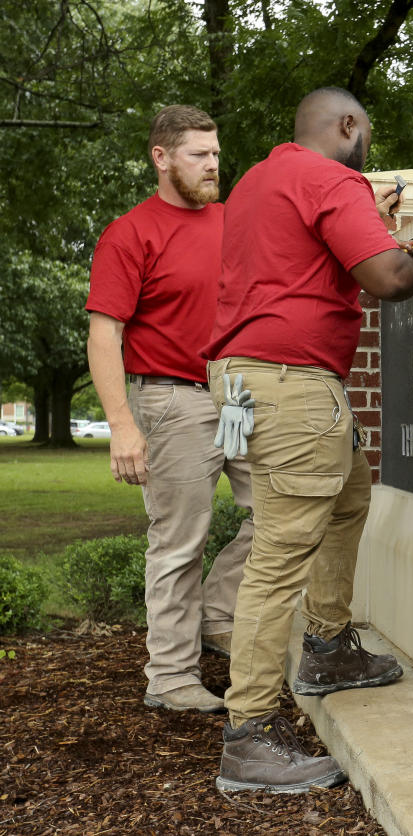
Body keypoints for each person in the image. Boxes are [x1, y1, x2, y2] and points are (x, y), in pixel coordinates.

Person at [204, 86, 413, 793]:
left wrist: (366, 225)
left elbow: (302, 267)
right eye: (366, 133)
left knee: (348, 496)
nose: (367, 147)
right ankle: (248, 736)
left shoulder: (261, 179)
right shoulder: (331, 179)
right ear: (347, 126)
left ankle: (327, 647)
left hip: (254, 377)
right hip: (290, 383)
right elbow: (385, 276)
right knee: (278, 555)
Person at [86, 105, 254, 714]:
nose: (214, 164)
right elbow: (104, 334)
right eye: (199, 155)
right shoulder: (130, 233)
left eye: (215, 153)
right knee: (180, 541)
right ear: (161, 157)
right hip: (171, 401)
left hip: (235, 395)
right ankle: (172, 676)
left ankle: (215, 615)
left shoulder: (232, 221)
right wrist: (122, 427)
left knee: (280, 514)